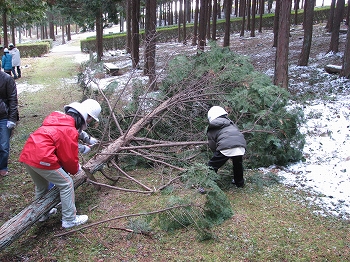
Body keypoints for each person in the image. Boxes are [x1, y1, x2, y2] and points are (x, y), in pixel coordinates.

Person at [19, 102, 90, 228]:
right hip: (42, 158)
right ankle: (69, 219)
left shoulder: (55, 121)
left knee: (41, 186)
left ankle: (42, 214)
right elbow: (68, 157)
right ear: (79, 120)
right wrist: (76, 169)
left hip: (28, 155)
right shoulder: (69, 129)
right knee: (67, 183)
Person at [206, 106, 247, 188]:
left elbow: (212, 144)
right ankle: (239, 183)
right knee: (237, 164)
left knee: (212, 165)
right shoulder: (231, 123)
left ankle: (207, 183)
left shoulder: (212, 128)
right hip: (241, 146)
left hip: (226, 146)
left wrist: (216, 154)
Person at [0, 70, 18, 177]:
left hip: (3, 117)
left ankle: (2, 167)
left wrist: (12, 118)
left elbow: (13, 99)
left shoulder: (7, 79)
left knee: (3, 145)